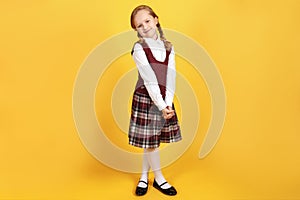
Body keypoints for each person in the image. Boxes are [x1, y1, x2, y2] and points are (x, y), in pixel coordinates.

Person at [128, 5, 182, 196]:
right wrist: (161, 105)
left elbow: (171, 77)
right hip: (147, 98)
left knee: (150, 142)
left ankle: (144, 177)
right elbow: (150, 79)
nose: (145, 26)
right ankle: (159, 178)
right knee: (151, 143)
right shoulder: (139, 48)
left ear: (156, 20)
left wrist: (168, 103)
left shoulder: (169, 47)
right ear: (136, 30)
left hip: (163, 98)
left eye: (147, 21)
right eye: (139, 25)